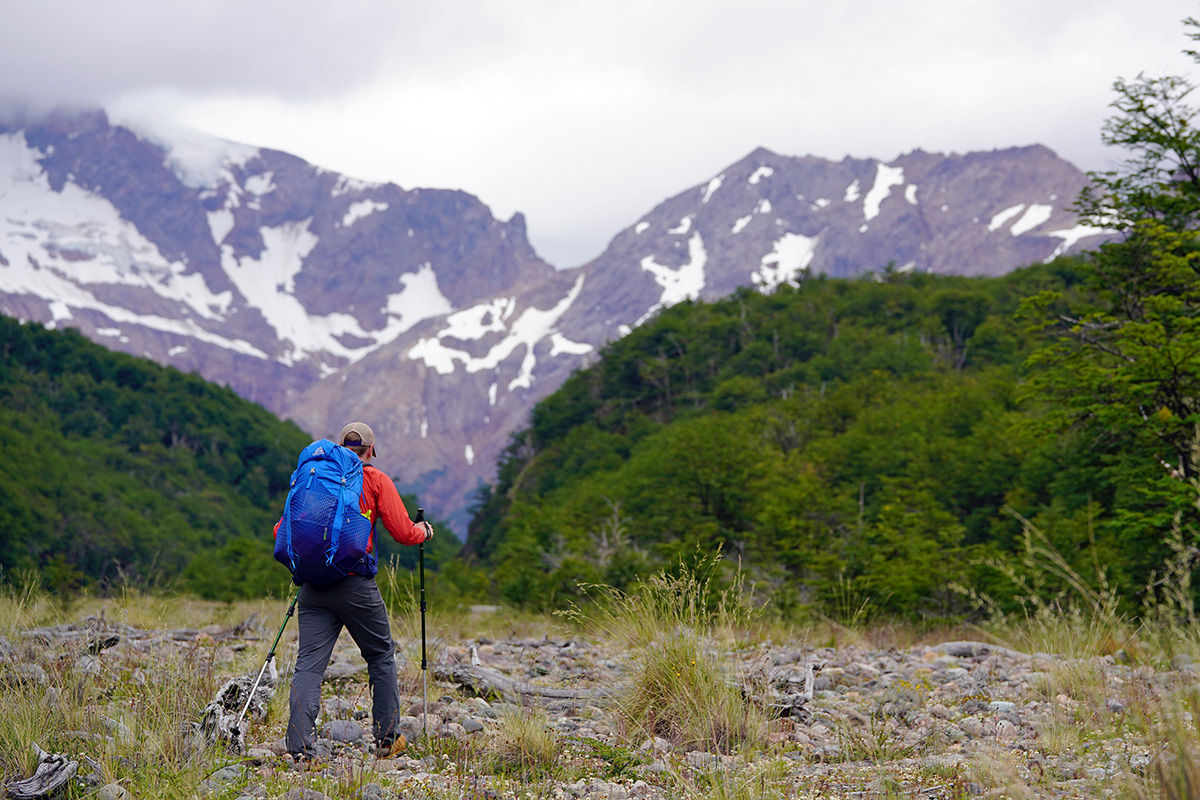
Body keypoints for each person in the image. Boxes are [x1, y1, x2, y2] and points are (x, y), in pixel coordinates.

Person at [276, 421, 433, 762]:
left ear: (338, 447)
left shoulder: (315, 478)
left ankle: (300, 747)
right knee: (379, 655)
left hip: (313, 587)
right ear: (370, 451)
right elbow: (404, 532)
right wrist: (424, 532)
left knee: (309, 666)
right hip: (354, 584)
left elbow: (282, 528)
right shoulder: (374, 479)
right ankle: (387, 738)